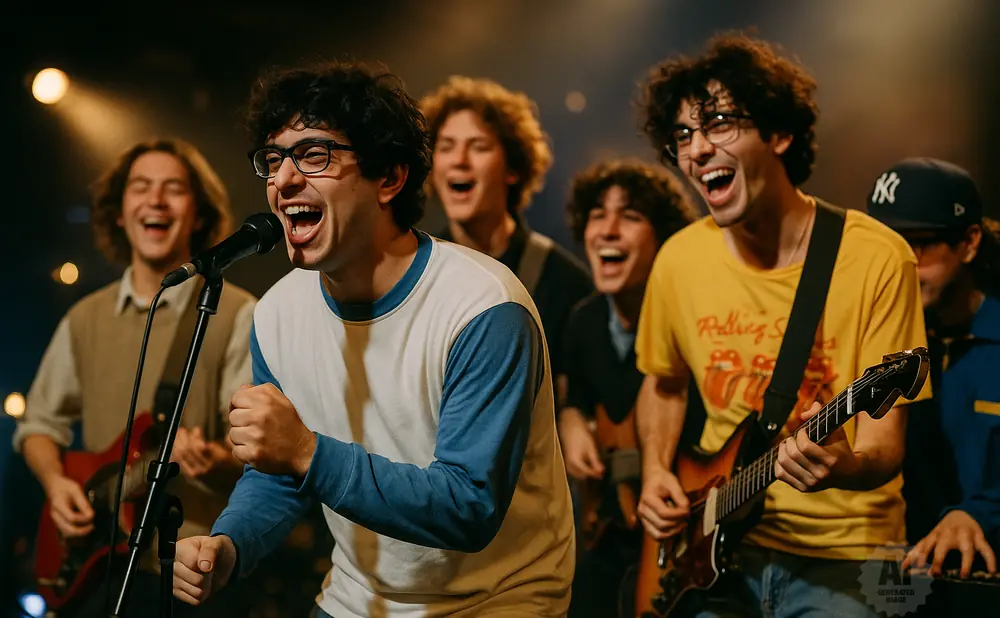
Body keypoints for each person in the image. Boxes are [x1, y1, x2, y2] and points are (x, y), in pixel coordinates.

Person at [171, 61, 575, 618]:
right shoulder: (278, 314)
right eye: (274, 159)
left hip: (499, 599)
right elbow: (280, 474)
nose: (283, 181)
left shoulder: (483, 307)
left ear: (389, 177)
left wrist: (306, 451)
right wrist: (230, 544)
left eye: (314, 155)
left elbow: (468, 506)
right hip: (359, 597)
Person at [632, 33, 931, 617]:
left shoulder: (877, 257)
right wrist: (654, 472)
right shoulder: (678, 260)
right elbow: (663, 383)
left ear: (780, 134)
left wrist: (847, 467)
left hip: (852, 555)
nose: (697, 149)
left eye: (719, 124)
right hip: (714, 549)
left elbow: (884, 447)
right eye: (683, 135)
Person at [13, 138, 256, 617]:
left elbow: (254, 451)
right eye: (141, 187)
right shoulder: (85, 317)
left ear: (199, 214)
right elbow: (38, 424)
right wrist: (57, 485)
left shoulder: (238, 313)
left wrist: (213, 459)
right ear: (120, 213)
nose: (156, 200)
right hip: (96, 569)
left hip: (185, 574)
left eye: (174, 189)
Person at [559, 159, 699, 617]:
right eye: (597, 215)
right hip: (606, 541)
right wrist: (571, 422)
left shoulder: (692, 323)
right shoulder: (583, 320)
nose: (608, 230)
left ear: (665, 238)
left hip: (683, 545)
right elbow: (576, 401)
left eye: (631, 216)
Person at [420, 76, 594, 404]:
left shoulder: (565, 284)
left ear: (513, 168)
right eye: (445, 147)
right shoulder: (415, 272)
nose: (459, 160)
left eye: (479, 147)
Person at [864, 158, 999, 579]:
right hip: (893, 575)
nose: (898, 263)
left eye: (918, 244)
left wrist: (977, 514)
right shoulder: (869, 343)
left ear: (969, 242)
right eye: (886, 246)